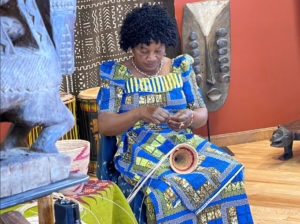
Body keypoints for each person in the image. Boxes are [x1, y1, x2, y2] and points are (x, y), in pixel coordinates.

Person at [97, 3, 253, 224]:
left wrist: (188, 117)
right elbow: (104, 124)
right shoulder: (116, 75)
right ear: (131, 46)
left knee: (230, 171)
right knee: (166, 187)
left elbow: (201, 113)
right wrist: (140, 113)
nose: (152, 58)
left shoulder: (180, 68)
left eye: (158, 51)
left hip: (182, 143)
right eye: (144, 50)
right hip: (139, 147)